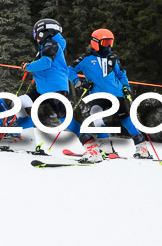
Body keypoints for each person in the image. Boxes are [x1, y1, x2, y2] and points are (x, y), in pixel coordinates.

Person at [15, 18, 103, 162]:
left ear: (44, 32)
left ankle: (92, 149)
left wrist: (28, 67)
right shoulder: (48, 45)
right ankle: (28, 142)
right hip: (43, 89)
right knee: (21, 102)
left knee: (66, 120)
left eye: (36, 33)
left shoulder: (51, 44)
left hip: (55, 88)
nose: (35, 37)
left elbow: (46, 62)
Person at [68, 28, 152, 159]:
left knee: (125, 119)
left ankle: (142, 149)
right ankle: (106, 146)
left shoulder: (113, 58)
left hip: (116, 93)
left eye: (110, 43)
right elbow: (70, 70)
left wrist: (126, 88)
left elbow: (121, 74)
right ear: (95, 42)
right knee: (95, 114)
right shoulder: (85, 59)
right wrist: (80, 83)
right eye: (105, 42)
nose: (108, 46)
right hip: (98, 94)